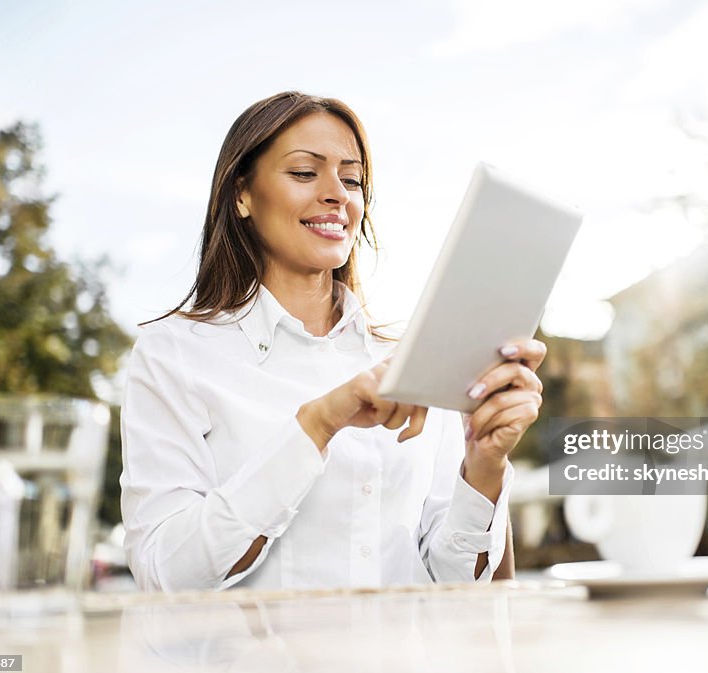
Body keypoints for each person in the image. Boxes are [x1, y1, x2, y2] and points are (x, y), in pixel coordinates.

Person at [120, 92, 544, 592]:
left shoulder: (407, 360)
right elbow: (166, 574)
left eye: (352, 179)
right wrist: (317, 425)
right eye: (304, 173)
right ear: (242, 194)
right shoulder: (174, 354)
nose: (336, 194)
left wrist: (484, 466)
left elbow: (460, 587)